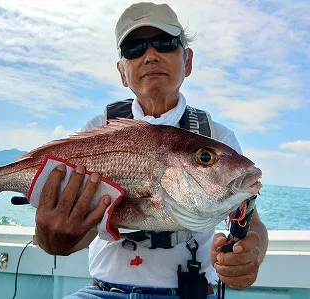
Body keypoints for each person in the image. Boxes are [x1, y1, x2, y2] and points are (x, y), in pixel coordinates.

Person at [34, 2, 269, 298]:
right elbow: (62, 241)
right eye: (134, 48)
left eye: (165, 43)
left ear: (188, 60)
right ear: (122, 72)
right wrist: (52, 238)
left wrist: (251, 255)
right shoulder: (95, 131)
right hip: (103, 292)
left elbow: (251, 221)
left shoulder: (217, 137)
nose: (150, 55)